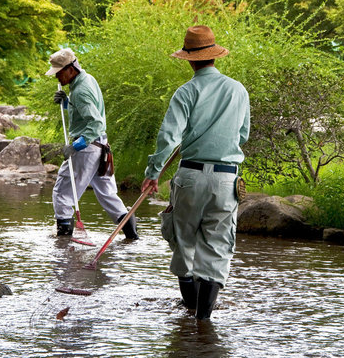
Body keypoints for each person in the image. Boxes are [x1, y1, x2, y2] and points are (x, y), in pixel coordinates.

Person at [141, 25, 250, 319]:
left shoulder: (186, 91)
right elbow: (243, 135)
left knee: (183, 239)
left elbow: (168, 138)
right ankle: (203, 321)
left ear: (189, 59)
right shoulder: (238, 90)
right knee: (217, 245)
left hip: (189, 176)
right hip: (227, 178)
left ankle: (188, 311)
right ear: (215, 56)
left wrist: (153, 173)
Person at [46, 48, 138, 240]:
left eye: (59, 73)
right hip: (101, 148)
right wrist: (67, 102)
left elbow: (96, 123)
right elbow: (86, 111)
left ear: (71, 69)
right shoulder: (87, 79)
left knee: (62, 193)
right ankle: (132, 237)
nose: (57, 78)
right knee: (107, 194)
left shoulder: (80, 91)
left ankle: (63, 244)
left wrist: (76, 146)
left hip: (87, 149)